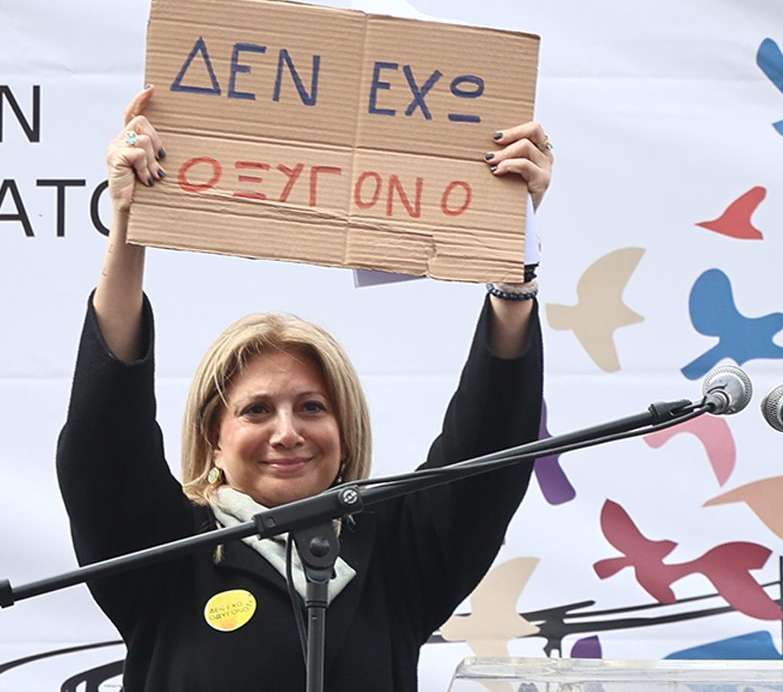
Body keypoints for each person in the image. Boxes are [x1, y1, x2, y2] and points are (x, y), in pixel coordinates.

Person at [56, 85, 552, 692]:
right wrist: (130, 220)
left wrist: (510, 256)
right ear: (214, 439)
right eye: (256, 410)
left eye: (312, 407)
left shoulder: (398, 553)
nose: (287, 432)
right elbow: (105, 440)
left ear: (345, 433)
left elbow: (490, 447)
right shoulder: (164, 551)